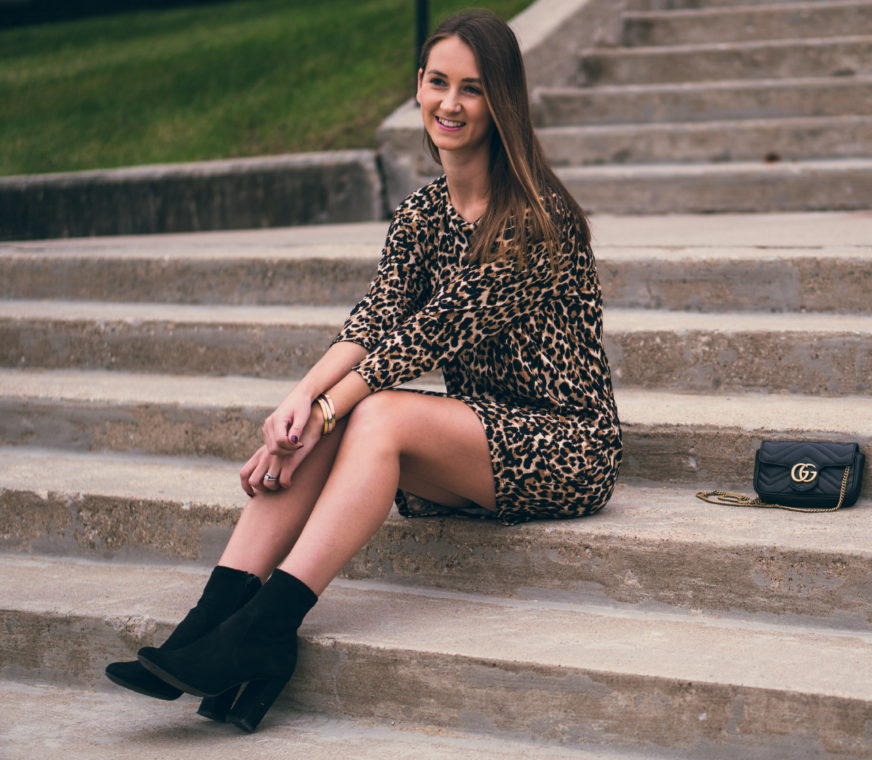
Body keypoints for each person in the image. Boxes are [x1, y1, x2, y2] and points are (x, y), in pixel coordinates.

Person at [103, 9, 622, 733]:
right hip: (472, 440)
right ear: (417, 87)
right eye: (438, 82)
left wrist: (324, 413)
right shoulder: (422, 212)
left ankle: (265, 632)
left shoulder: (536, 218)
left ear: (502, 100)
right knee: (350, 411)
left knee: (371, 410)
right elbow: (376, 319)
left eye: (471, 89)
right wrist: (299, 402)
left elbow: (428, 337)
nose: (449, 103)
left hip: (563, 447)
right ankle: (209, 624)